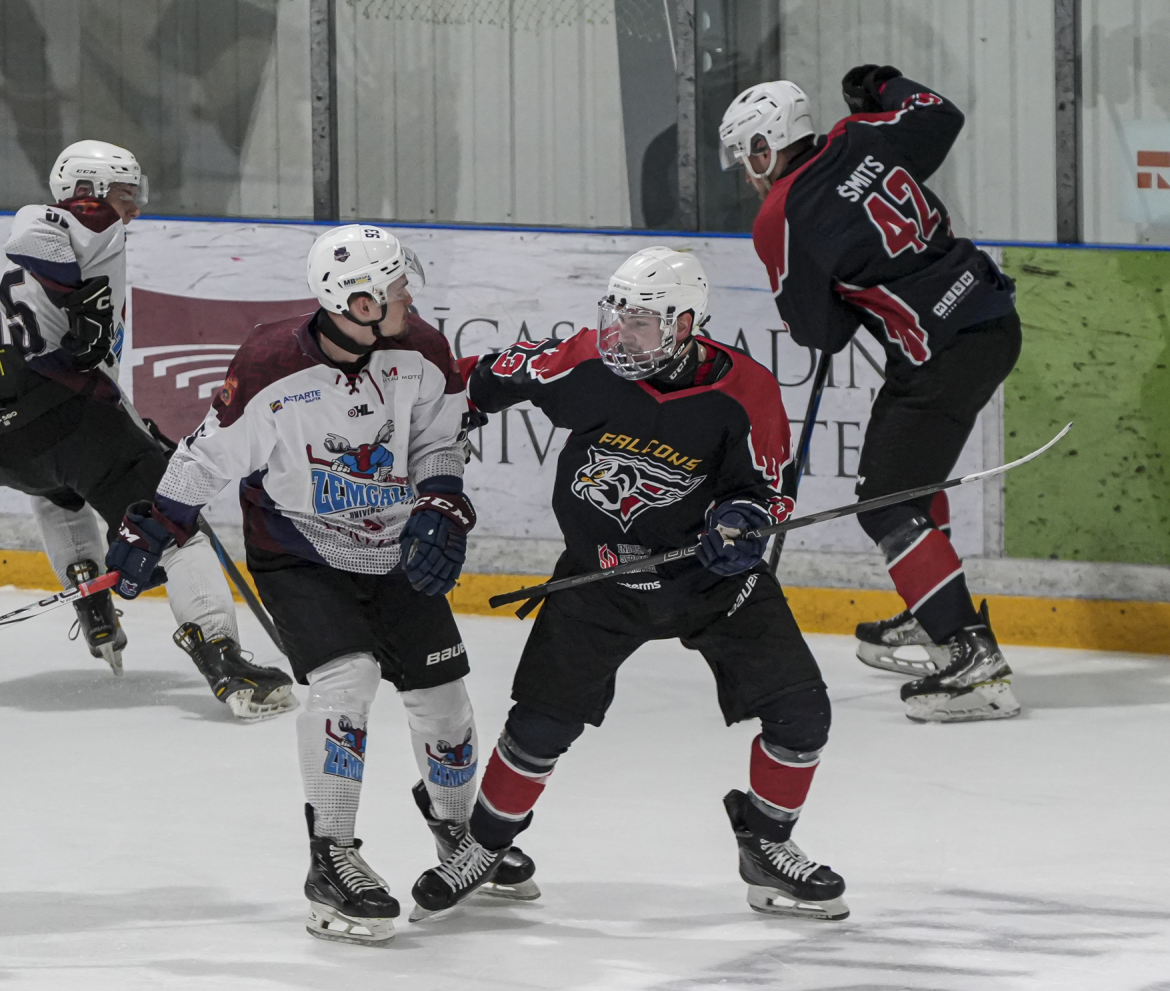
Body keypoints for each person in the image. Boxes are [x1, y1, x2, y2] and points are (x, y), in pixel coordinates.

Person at [103, 223, 537, 945]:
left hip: (396, 546)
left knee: (443, 699)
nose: (408, 295)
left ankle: (458, 832)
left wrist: (440, 502)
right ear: (359, 304)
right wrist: (158, 525)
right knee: (346, 681)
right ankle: (331, 856)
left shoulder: (422, 351)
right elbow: (210, 455)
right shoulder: (271, 364)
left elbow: (439, 438)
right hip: (300, 548)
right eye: (395, 287)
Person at [409, 247, 847, 923]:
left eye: (640, 322)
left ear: (685, 325)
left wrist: (741, 522)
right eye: (614, 316)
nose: (620, 334)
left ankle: (766, 844)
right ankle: (485, 846)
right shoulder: (585, 362)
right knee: (539, 727)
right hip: (602, 577)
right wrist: (428, 422)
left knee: (803, 716)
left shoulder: (746, 392)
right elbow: (481, 379)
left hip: (711, 581)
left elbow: (767, 492)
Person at [717, 67, 1021, 722]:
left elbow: (819, 333)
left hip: (940, 353)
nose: (748, 174)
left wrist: (838, 289)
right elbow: (938, 114)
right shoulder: (861, 135)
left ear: (768, 146)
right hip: (990, 317)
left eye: (748, 157)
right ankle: (932, 609)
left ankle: (970, 655)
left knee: (886, 502)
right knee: (907, 480)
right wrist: (879, 83)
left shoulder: (780, 215)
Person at [0, 139, 294, 720]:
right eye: (125, 193)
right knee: (177, 527)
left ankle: (90, 595)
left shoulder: (56, 241)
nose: (135, 207)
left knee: (60, 493)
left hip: (13, 439)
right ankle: (223, 659)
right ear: (88, 193)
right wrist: (77, 294)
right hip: (75, 419)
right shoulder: (83, 221)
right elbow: (33, 232)